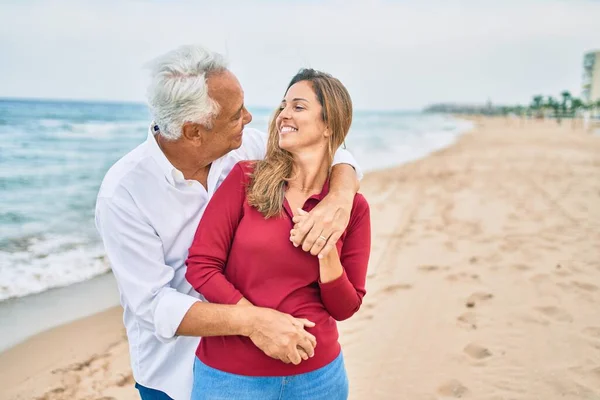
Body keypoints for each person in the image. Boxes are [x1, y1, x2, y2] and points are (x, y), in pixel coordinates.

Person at [95, 46, 363, 400]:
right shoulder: (123, 192)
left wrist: (340, 197)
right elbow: (153, 305)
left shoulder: (246, 149)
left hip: (272, 363)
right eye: (236, 115)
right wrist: (255, 322)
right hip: (174, 371)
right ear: (194, 132)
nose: (250, 119)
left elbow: (326, 149)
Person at [185, 68, 371, 400]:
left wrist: (327, 256)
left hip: (319, 378)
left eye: (298, 107)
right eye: (283, 106)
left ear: (329, 124)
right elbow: (201, 265)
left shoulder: (351, 208)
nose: (283, 114)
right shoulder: (245, 179)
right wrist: (255, 321)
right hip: (230, 379)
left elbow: (345, 307)